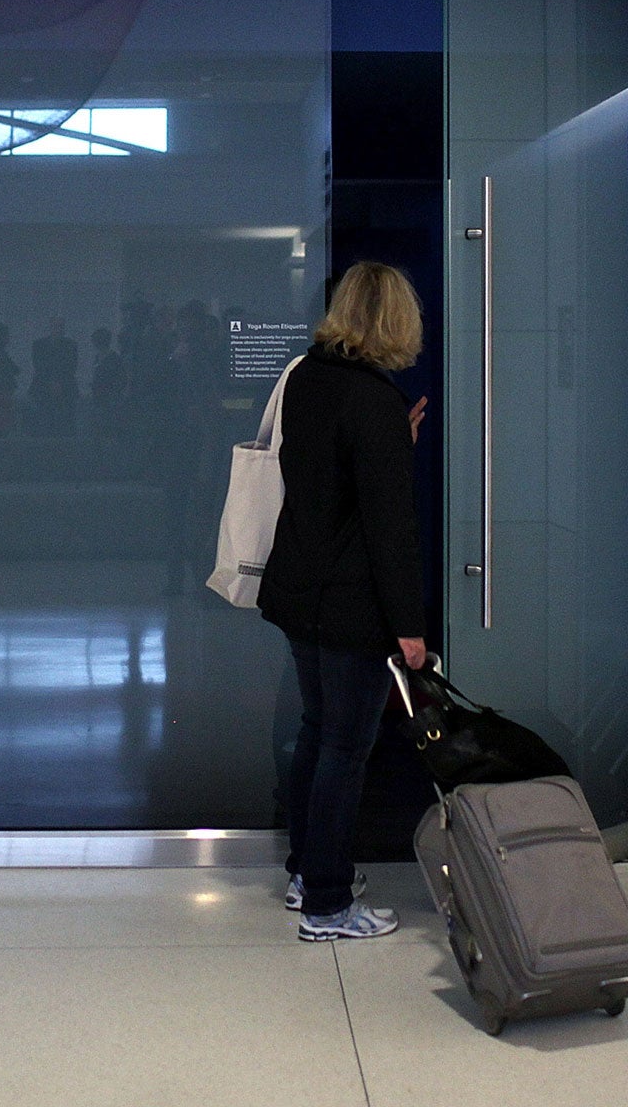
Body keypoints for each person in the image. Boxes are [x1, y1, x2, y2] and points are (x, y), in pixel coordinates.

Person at [258, 262, 432, 942]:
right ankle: (330, 905)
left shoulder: (308, 379)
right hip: (351, 606)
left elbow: (328, 477)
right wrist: (409, 629)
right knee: (343, 750)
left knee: (315, 734)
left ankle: (309, 874)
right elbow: (390, 531)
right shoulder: (375, 400)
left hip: (300, 594)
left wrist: (395, 444)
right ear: (395, 321)